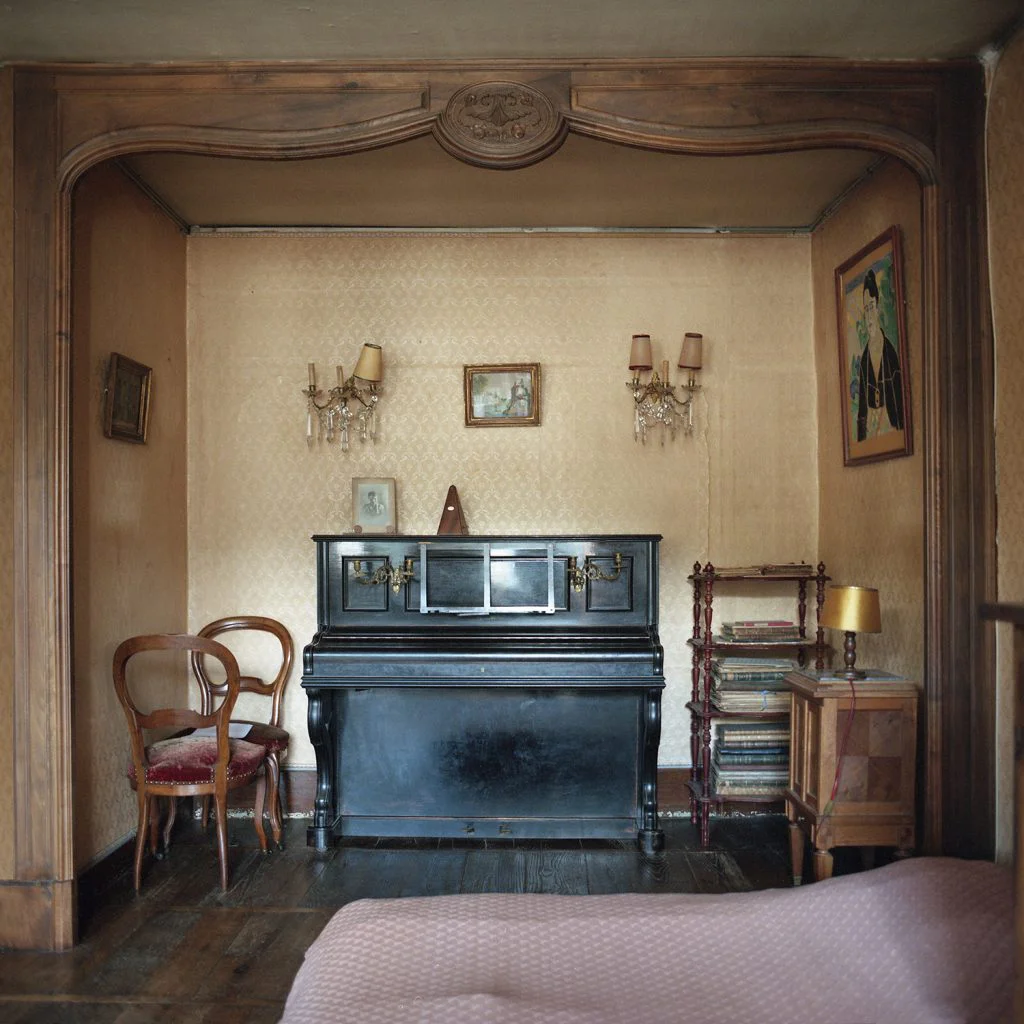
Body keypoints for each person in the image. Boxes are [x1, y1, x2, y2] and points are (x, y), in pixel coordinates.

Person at [854, 268, 904, 442]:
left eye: (871, 307)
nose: (869, 316)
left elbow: (900, 412)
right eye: (865, 310)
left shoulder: (890, 355)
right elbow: (862, 415)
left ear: (877, 308)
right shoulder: (864, 361)